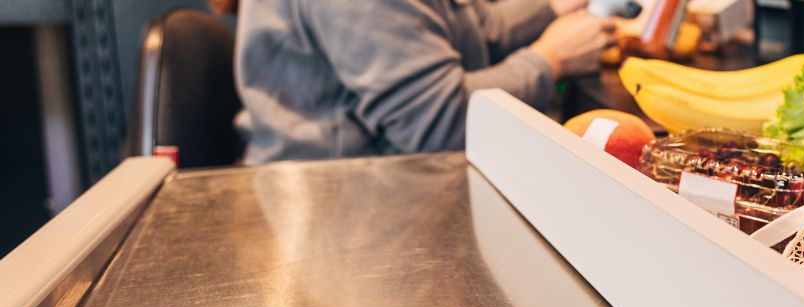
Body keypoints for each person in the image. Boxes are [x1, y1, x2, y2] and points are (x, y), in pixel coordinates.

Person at [221, 0, 615, 163]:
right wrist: (549, 60)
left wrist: (549, 7)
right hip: (343, 194)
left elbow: (471, 27)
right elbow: (435, 122)